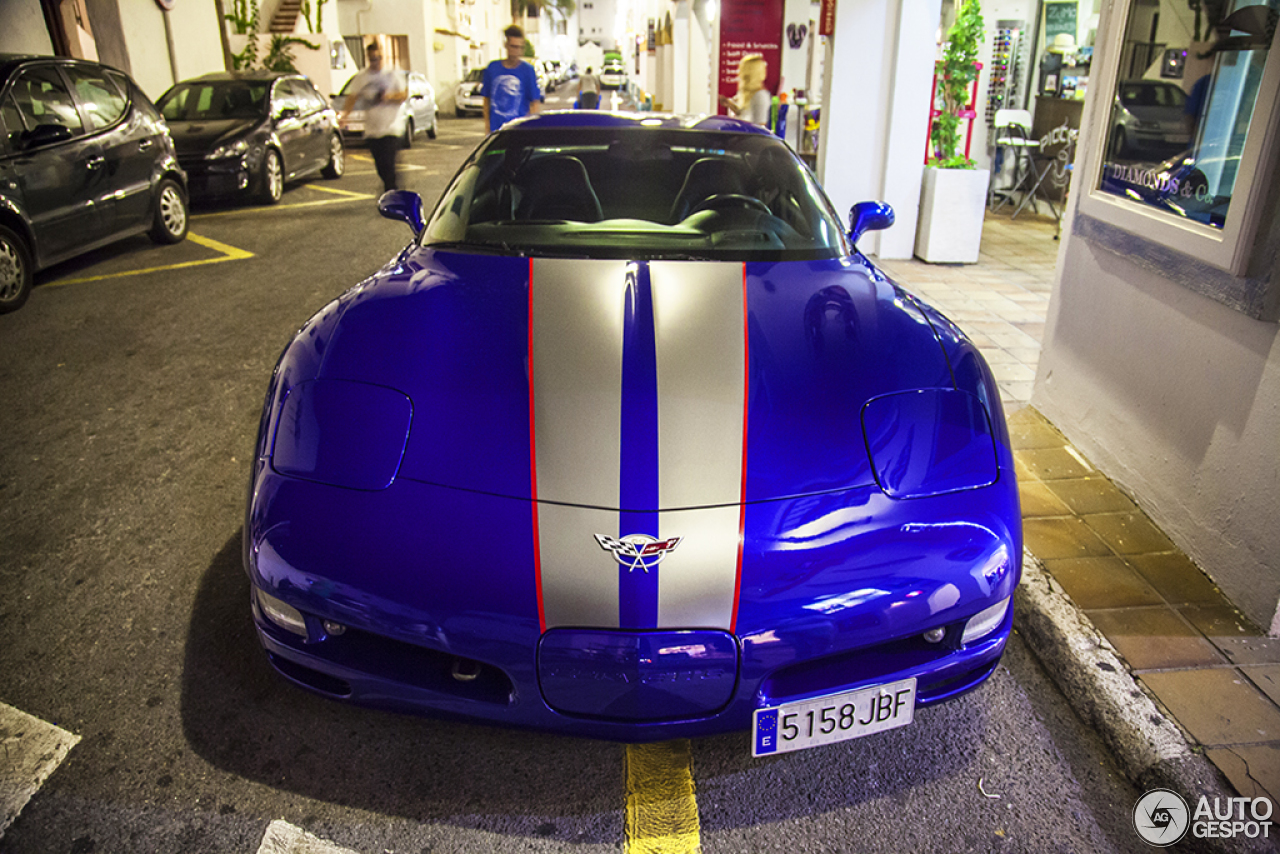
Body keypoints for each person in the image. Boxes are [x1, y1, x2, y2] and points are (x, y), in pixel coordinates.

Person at [340, 42, 407, 194]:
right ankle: (391, 186)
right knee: (381, 166)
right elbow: (352, 97)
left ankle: (392, 192)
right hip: (372, 130)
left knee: (389, 162)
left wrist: (388, 97)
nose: (376, 62)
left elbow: (403, 95)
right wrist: (345, 115)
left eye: (378, 58)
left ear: (382, 57)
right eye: (372, 59)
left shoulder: (392, 75)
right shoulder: (362, 77)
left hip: (391, 128)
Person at [482, 25, 543, 133]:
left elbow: (535, 102)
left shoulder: (527, 71)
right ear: (506, 45)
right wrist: (487, 127)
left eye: (520, 47)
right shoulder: (493, 68)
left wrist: (532, 128)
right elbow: (487, 99)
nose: (517, 51)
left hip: (519, 131)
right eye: (513, 47)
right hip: (497, 131)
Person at [719, 53, 771, 126]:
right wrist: (730, 105)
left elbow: (759, 127)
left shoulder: (760, 96)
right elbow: (744, 114)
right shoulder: (748, 93)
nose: (739, 73)